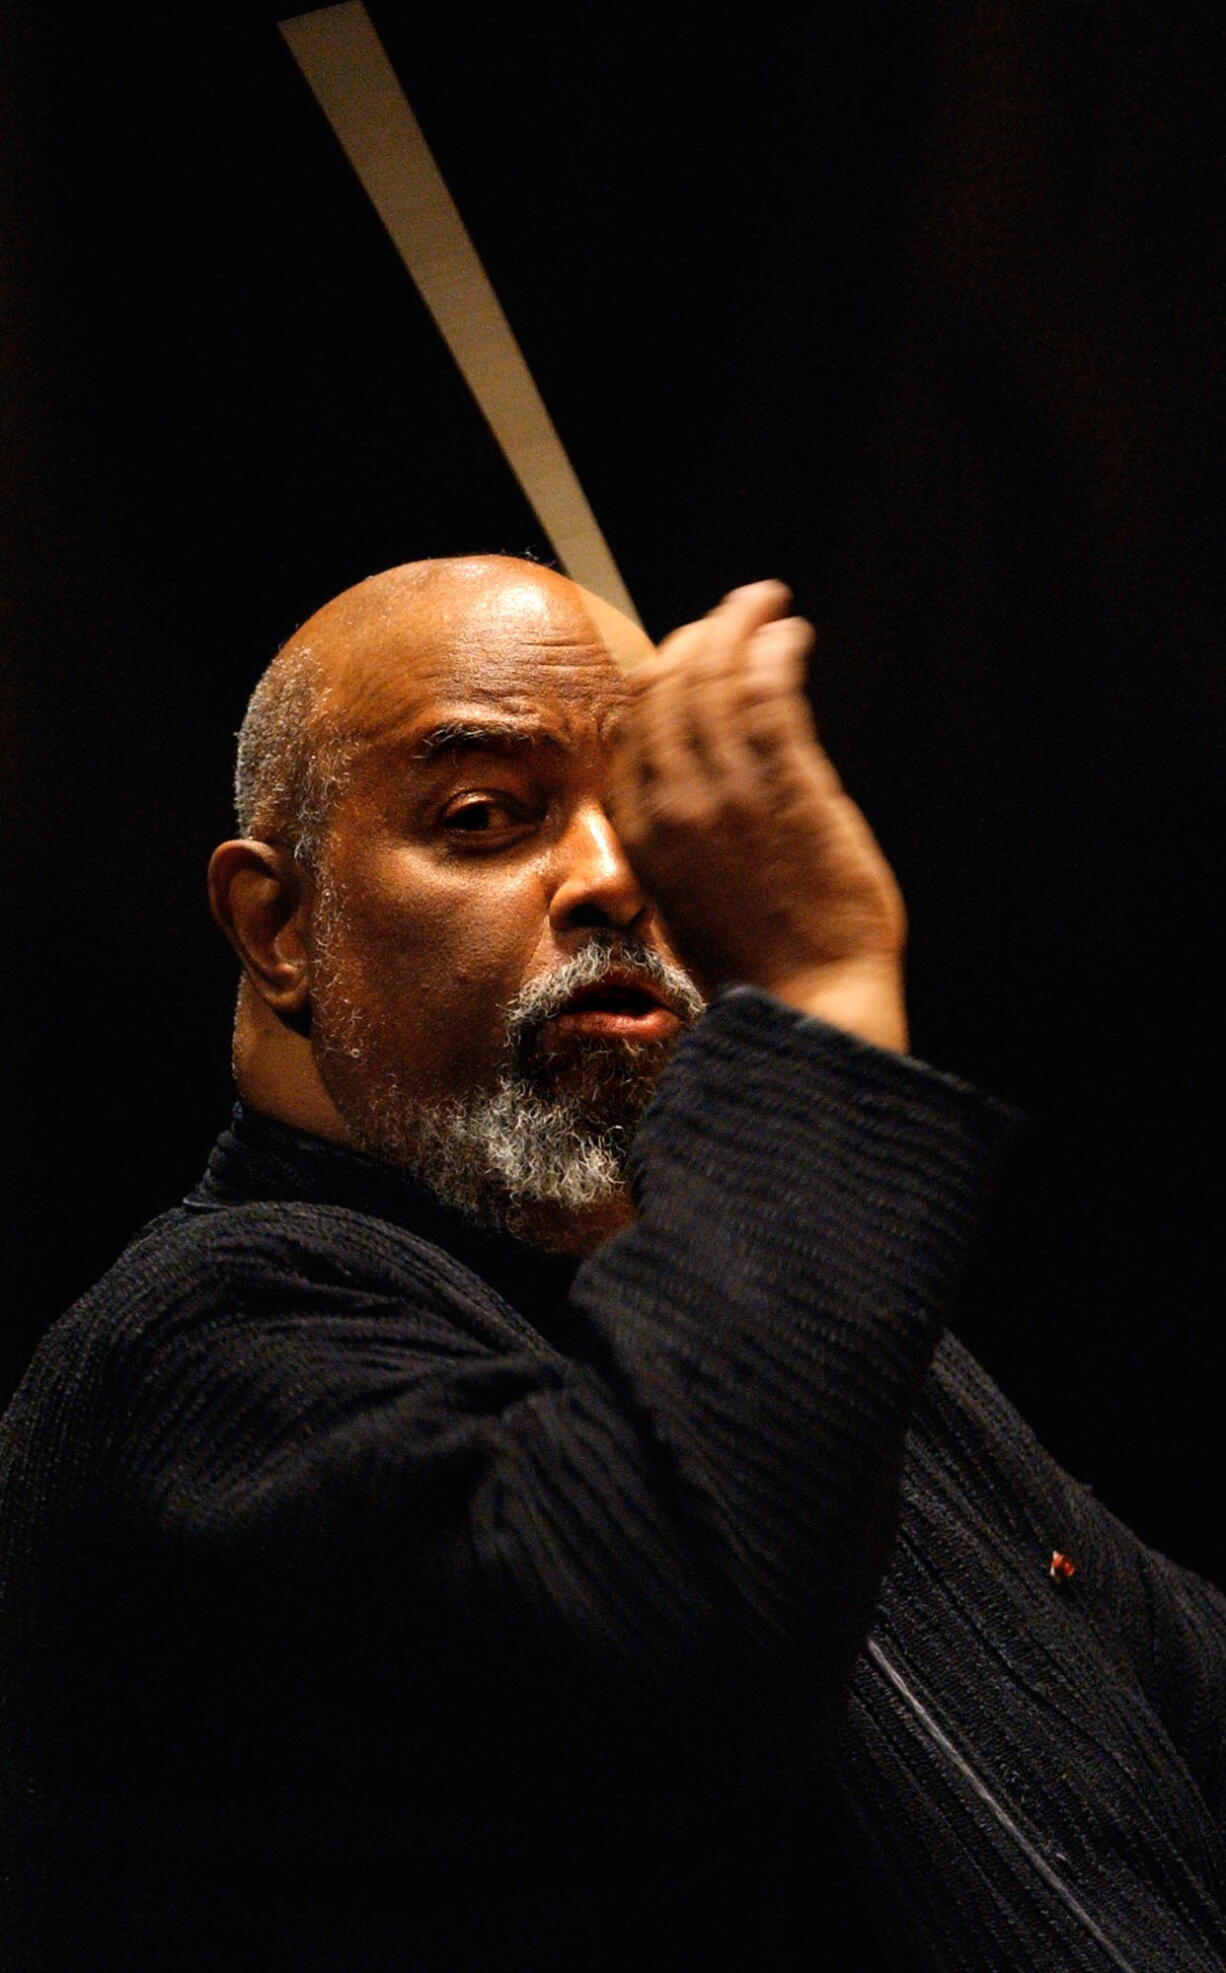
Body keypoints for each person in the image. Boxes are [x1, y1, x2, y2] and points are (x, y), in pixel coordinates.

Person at [0, 557, 1222, 1971]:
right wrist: (817, 1001)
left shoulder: (786, 1320)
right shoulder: (189, 1351)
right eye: (481, 818)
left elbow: (1183, 1693)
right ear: (282, 929)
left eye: (649, 812)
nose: (614, 876)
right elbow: (666, 1647)